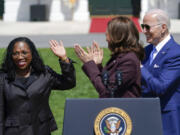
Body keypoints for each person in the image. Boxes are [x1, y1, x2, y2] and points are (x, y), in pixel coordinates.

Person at [0, 37, 76, 135]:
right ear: (11, 56)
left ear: (32, 54)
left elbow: (69, 83)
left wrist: (64, 58)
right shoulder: (3, 78)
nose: (20, 57)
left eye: (24, 52)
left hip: (41, 130)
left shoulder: (45, 74)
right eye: (15, 53)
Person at [74, 16, 144, 98]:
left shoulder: (129, 61)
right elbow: (107, 83)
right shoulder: (119, 56)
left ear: (118, 36)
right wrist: (97, 66)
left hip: (123, 109)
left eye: (108, 34)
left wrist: (89, 65)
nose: (106, 39)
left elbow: (107, 93)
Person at [141, 9, 180, 135]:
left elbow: (161, 87)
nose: (144, 31)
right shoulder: (145, 51)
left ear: (163, 27)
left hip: (167, 120)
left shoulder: (176, 53)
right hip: (145, 115)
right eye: (143, 26)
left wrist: (140, 67)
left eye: (147, 27)